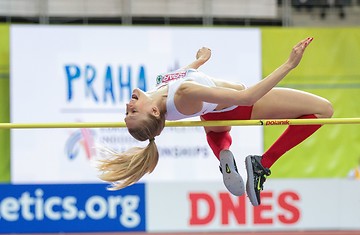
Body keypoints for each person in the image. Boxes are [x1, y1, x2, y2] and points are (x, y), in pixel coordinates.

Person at [98, 37, 333, 206]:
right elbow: (247, 97)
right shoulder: (184, 94)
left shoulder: (159, 94)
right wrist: (289, 64)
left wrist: (199, 61)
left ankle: (223, 151)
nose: (128, 107)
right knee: (324, 111)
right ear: (154, 112)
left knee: (215, 127)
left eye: (127, 113)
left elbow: (178, 78)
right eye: (133, 113)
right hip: (243, 106)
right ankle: (263, 162)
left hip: (212, 116)